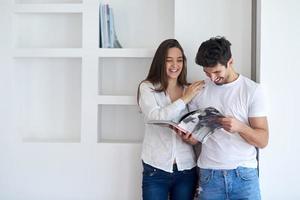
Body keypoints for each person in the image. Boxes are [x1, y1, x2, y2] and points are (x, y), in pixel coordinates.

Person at [184, 36, 269, 200]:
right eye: (207, 73)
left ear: (230, 62)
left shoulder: (252, 91)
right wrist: (190, 138)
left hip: (244, 176)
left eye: (217, 72)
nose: (213, 78)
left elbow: (263, 140)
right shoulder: (199, 91)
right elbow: (196, 138)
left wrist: (240, 127)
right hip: (209, 176)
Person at [137, 39, 204, 200]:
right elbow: (155, 117)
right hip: (156, 168)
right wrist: (184, 99)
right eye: (169, 60)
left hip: (186, 169)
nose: (175, 65)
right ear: (161, 62)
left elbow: (197, 128)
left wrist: (193, 139)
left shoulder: (190, 90)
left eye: (179, 60)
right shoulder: (148, 88)